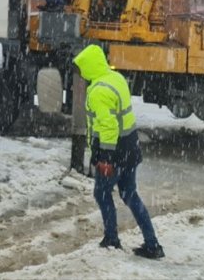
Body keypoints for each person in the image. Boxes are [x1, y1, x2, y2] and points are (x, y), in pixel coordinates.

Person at [73, 43, 164, 259]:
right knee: (129, 194)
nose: (81, 73)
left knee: (102, 193)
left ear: (89, 67)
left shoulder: (98, 91)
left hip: (114, 153)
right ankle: (152, 244)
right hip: (130, 149)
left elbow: (108, 127)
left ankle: (111, 239)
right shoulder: (116, 78)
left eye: (82, 68)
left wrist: (105, 159)